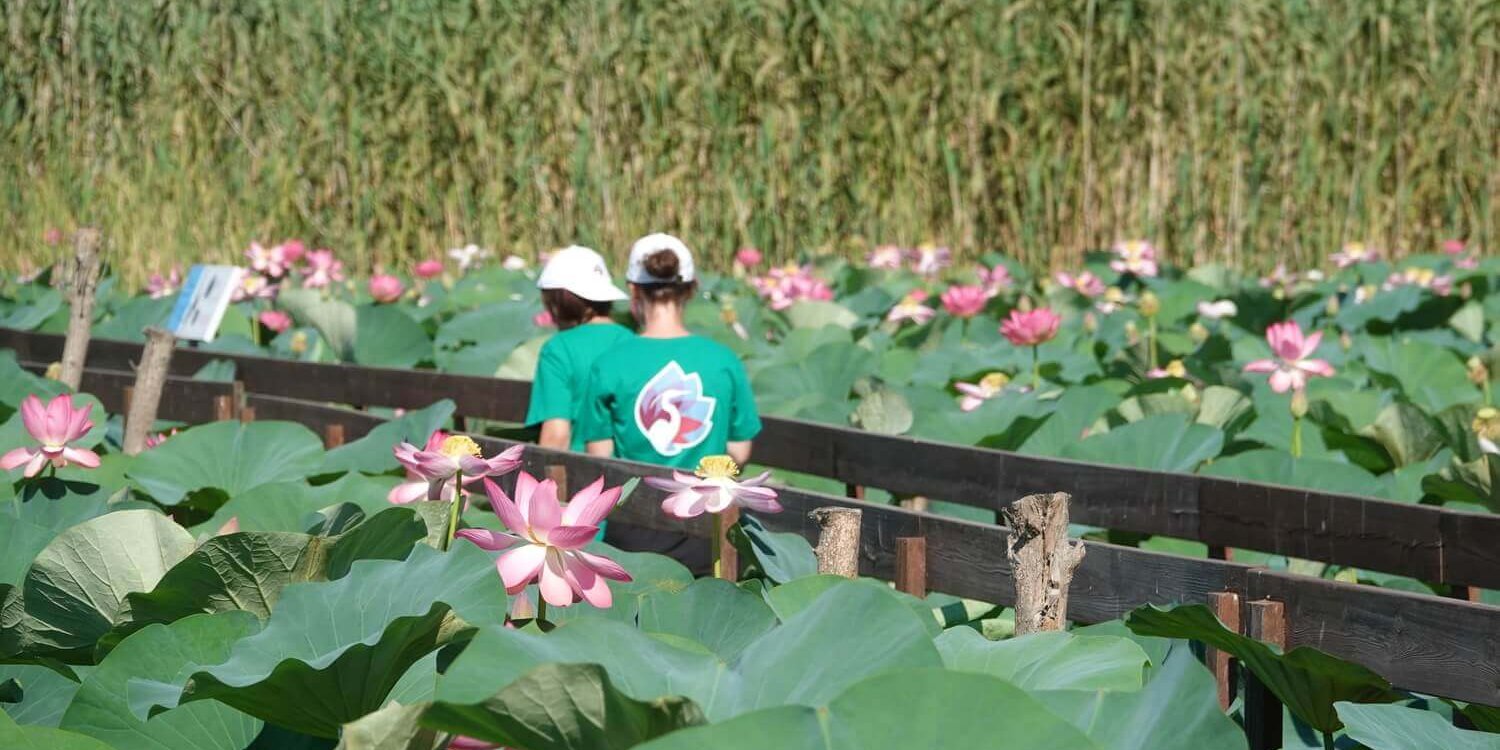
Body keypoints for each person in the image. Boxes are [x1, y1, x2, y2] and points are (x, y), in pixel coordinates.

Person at [580, 233, 762, 571]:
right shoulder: (724, 361)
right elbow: (740, 450)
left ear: (633, 289)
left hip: (631, 535)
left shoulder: (608, 363)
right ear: (691, 288)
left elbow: (600, 456)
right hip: (707, 532)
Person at [524, 245, 632, 452]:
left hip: (581, 475)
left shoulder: (558, 348)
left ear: (558, 301)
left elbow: (557, 436)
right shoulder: (632, 340)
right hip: (631, 473)